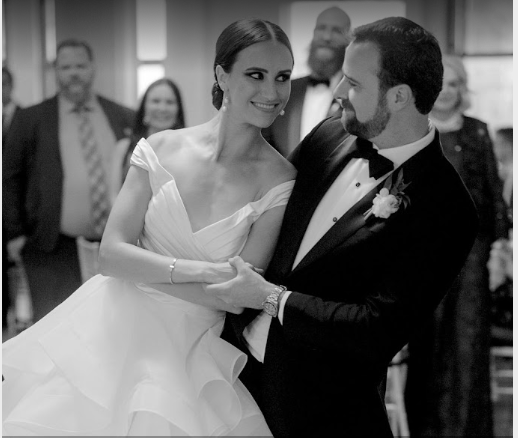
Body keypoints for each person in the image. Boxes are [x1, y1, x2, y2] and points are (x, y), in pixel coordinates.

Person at [2, 18, 296, 436]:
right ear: (221, 75)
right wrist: (200, 271)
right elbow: (110, 254)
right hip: (110, 326)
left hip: (194, 349)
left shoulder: (280, 179)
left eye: (282, 77)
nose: (271, 92)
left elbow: (236, 296)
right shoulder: (161, 148)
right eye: (255, 75)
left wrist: (141, 268)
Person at [207, 17, 479, 437]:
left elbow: (375, 329)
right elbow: (268, 212)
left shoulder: (447, 207)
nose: (337, 93)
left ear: (399, 96)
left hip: (322, 410)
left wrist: (272, 299)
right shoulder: (330, 134)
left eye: (352, 82)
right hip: (232, 377)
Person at [404, 55, 509, 437]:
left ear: (462, 88)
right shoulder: (412, 131)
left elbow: (496, 200)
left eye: (454, 83)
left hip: (471, 261)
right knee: (428, 347)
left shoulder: (479, 132)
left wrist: (495, 254)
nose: (447, 91)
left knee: (466, 349)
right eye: (441, 83)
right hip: (424, 261)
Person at [2, 39, 135, 322]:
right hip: (50, 247)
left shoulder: (122, 115)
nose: (74, 73)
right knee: (55, 326)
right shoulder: (31, 118)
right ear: (56, 72)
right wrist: (14, 234)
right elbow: (9, 177)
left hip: (113, 248)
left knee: (110, 325)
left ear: (93, 68)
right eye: (66, 67)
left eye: (80, 66)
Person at [262, 6, 351, 157]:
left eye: (336, 30)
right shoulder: (283, 89)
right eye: (321, 28)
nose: (327, 36)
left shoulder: (352, 94)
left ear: (348, 39)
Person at [110, 77, 186, 200]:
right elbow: (113, 196)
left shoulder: (188, 150)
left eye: (170, 102)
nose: (162, 108)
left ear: (178, 110)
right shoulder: (123, 148)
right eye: (156, 101)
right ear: (144, 107)